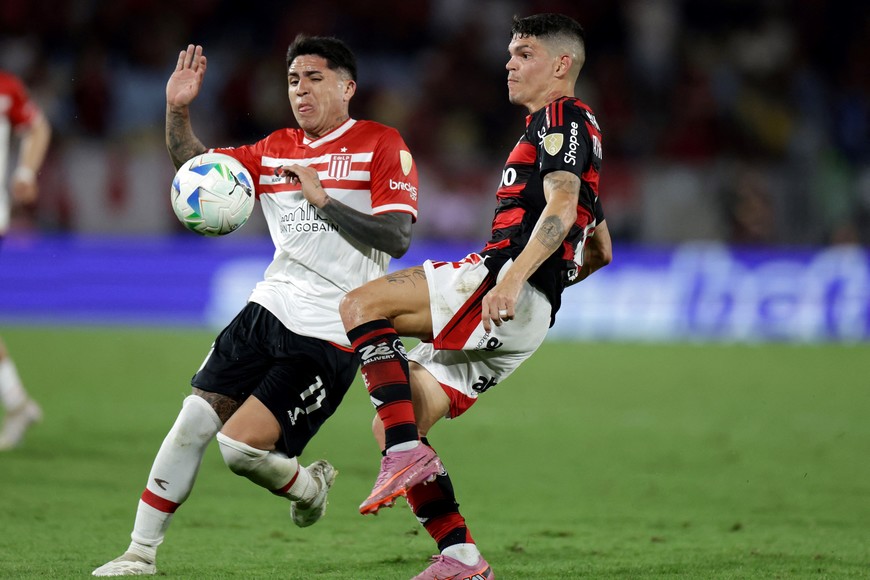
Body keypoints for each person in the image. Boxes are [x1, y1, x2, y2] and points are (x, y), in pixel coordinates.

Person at [93, 35, 419, 576]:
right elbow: (196, 166)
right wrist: (177, 108)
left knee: (238, 451)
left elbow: (397, 236)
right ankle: (140, 553)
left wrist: (325, 201)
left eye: (314, 77)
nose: (301, 89)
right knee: (194, 419)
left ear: (347, 86)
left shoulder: (381, 143)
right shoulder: (275, 148)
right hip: (267, 307)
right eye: (293, 80)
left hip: (333, 328)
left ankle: (309, 488)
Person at [339, 13, 611, 579]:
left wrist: (514, 278)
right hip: (530, 315)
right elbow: (600, 247)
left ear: (562, 65)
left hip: (501, 283)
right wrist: (548, 284)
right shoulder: (579, 136)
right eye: (510, 52)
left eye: (525, 53)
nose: (510, 63)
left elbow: (561, 210)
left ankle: (404, 457)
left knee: (361, 306)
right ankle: (461, 558)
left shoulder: (561, 118)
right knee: (396, 417)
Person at [0, 70, 51, 451]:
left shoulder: (6, 87)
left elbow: (38, 127)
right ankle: (17, 402)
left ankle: (17, 403)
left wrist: (24, 171)